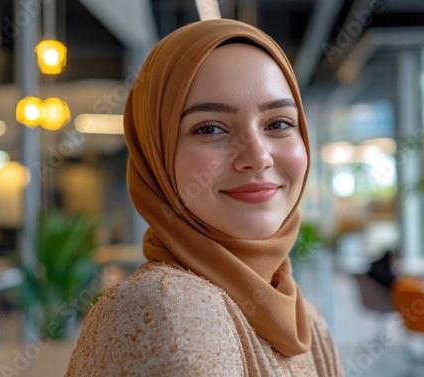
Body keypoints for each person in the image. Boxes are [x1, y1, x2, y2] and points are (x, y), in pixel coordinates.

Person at [65, 19, 343, 376]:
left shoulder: (304, 319)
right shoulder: (170, 309)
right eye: (210, 128)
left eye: (278, 123)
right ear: (157, 156)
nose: (257, 156)